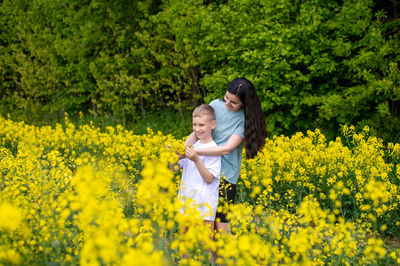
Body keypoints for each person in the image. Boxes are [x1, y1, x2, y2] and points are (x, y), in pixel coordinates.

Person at [185, 77, 267, 236]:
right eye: (226, 98)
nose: (227, 104)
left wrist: (195, 153)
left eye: (234, 102)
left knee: (221, 228)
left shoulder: (245, 121)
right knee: (203, 224)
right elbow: (198, 130)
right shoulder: (215, 105)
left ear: (244, 104)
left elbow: (226, 149)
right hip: (205, 170)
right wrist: (184, 148)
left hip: (224, 177)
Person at [170, 104, 221, 243]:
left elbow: (209, 179)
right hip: (186, 205)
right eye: (194, 124)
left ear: (213, 124)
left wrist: (196, 160)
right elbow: (174, 169)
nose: (197, 129)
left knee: (205, 247)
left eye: (201, 125)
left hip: (204, 207)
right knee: (184, 245)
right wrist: (173, 156)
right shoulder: (192, 146)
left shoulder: (214, 150)